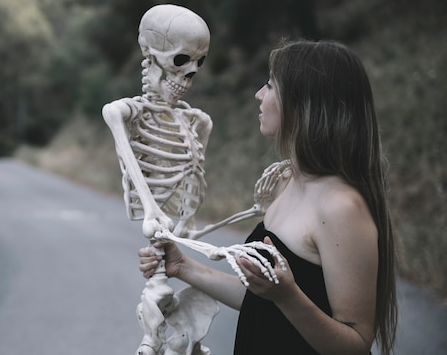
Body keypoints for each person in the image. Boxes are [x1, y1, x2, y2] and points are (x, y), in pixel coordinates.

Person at [138, 39, 398, 355]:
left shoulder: (341, 207)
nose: (259, 95)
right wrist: (183, 267)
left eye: (270, 86)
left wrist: (288, 297)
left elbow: (356, 344)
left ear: (305, 104)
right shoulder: (287, 181)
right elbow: (263, 299)